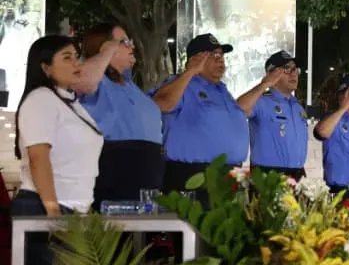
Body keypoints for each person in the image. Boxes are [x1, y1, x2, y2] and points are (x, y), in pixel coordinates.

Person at [75, 24, 165, 207]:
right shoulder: (98, 81)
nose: (132, 46)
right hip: (115, 172)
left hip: (148, 176)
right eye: (124, 42)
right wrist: (106, 52)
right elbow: (80, 81)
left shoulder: (131, 85)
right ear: (105, 47)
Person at [13, 36, 104, 216]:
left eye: (76, 57)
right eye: (67, 58)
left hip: (75, 207)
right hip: (48, 206)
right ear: (46, 67)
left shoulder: (69, 102)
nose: (76, 63)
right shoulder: (41, 98)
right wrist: (52, 209)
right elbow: (38, 158)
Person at [150, 34, 249, 193]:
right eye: (212, 55)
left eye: (221, 55)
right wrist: (190, 72)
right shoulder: (183, 84)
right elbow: (160, 103)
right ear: (195, 59)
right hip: (192, 176)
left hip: (228, 176)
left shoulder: (222, 90)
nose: (220, 59)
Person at [241, 50, 308, 179]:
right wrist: (264, 84)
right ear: (271, 74)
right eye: (287, 69)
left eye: (295, 69)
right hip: (268, 177)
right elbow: (236, 111)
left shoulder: (298, 108)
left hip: (298, 175)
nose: (294, 73)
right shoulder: (260, 101)